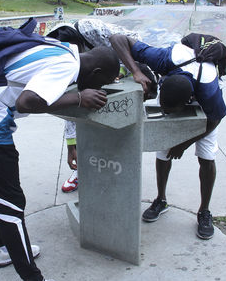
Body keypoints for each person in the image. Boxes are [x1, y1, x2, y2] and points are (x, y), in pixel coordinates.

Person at [0, 39, 119, 281]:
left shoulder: (64, 47)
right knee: (10, 204)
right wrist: (78, 98)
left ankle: (3, 249)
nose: (99, 88)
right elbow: (27, 101)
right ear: (95, 74)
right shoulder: (66, 68)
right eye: (102, 83)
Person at [109, 33, 226, 240]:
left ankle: (204, 212)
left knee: (207, 157)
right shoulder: (163, 58)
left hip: (205, 112)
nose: (168, 113)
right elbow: (117, 38)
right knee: (163, 150)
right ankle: (161, 200)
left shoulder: (209, 90)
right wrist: (135, 71)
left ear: (187, 101)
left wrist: (183, 143)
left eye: (171, 110)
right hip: (177, 81)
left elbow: (215, 120)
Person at [46, 19, 157, 193]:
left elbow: (124, 40)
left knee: (121, 114)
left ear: (79, 44)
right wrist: (71, 144)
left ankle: (122, 167)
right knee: (85, 107)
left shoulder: (89, 28)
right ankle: (82, 169)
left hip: (126, 65)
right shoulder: (61, 60)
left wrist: (128, 70)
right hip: (98, 71)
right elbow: (70, 98)